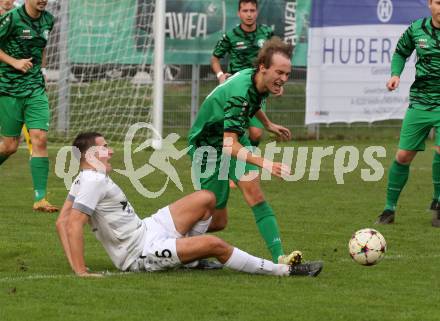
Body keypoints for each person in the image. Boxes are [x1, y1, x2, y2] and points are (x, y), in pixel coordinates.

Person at [56, 132, 323, 278]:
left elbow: (61, 222)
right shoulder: (93, 180)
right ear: (91, 154)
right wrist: (80, 271)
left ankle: (188, 260)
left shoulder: (84, 178)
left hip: (147, 229)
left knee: (207, 198)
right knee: (215, 245)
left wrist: (73, 266)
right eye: (104, 147)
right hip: (140, 253)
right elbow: (74, 224)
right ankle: (284, 271)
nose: (111, 150)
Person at [189, 37, 300, 264]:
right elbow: (230, 145)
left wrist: (268, 124)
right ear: (263, 68)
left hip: (230, 139)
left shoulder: (258, 79)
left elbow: (254, 101)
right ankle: (179, 243)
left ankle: (280, 257)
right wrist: (267, 163)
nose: (283, 79)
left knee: (255, 194)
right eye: (280, 73)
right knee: (218, 221)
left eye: (287, 74)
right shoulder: (240, 94)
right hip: (208, 146)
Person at [376, 0, 440, 227]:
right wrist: (395, 74)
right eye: (439, 3)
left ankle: (438, 203)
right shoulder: (416, 29)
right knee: (403, 157)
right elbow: (400, 52)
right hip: (421, 103)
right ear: (430, 4)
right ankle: (389, 209)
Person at [0, 0, 57, 212]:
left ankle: (40, 199)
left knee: (39, 138)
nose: (43, 0)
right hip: (8, 89)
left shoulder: (48, 20)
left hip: (35, 88)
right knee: (9, 146)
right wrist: (14, 62)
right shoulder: (12, 18)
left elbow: (40, 49)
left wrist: (41, 72)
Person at [211, 0, 274, 150]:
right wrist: (220, 75)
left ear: (257, 12)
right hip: (236, 89)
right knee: (233, 131)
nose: (249, 14)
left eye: (252, 10)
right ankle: (240, 160)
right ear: (239, 13)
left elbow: (274, 59)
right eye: (245, 11)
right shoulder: (231, 36)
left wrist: (276, 82)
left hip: (258, 89)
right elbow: (214, 58)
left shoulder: (266, 33)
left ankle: (246, 156)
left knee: (256, 134)